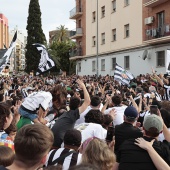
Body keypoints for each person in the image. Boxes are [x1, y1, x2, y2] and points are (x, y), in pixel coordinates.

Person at [52, 79, 90, 148]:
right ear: (79, 106)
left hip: (52, 140)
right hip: (58, 144)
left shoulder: (66, 114)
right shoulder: (73, 114)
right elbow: (87, 101)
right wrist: (84, 87)